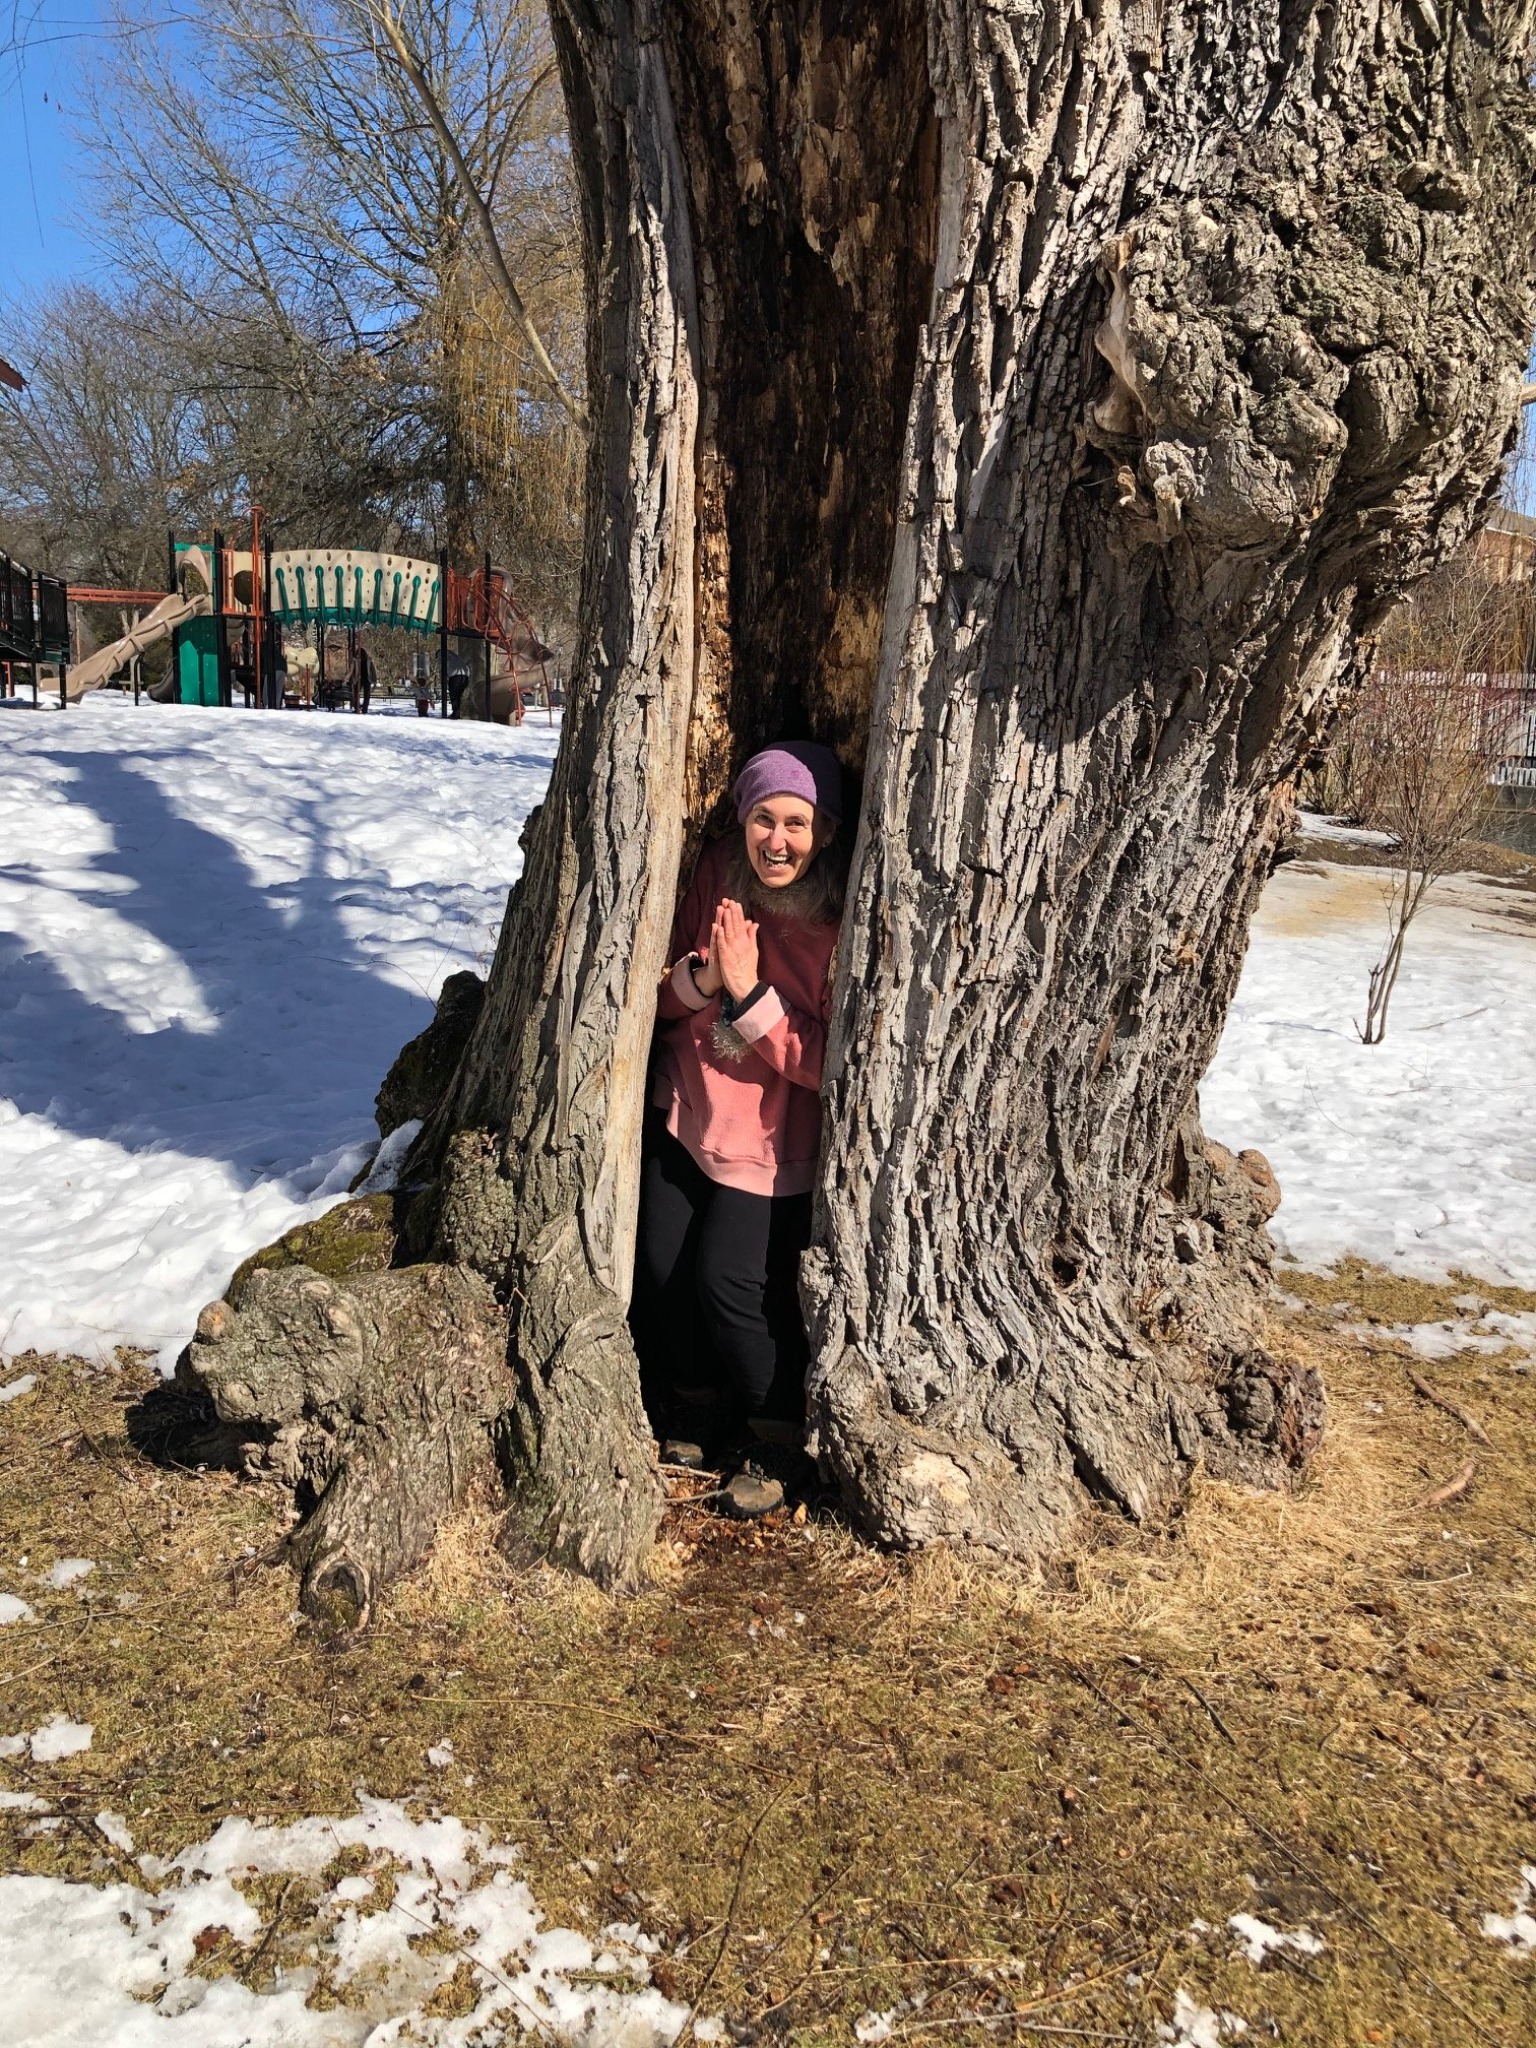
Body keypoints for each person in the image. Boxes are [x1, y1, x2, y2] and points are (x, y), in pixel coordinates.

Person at [632, 741, 847, 1518]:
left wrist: (751, 990)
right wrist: (705, 977)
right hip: (688, 1108)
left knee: (733, 1286)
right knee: (657, 1269)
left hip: (770, 1142)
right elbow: (649, 998)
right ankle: (696, 1402)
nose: (777, 840)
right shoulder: (715, 875)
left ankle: (775, 1428)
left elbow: (829, 1063)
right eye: (764, 818)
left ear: (822, 832)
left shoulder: (836, 916)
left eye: (796, 822)